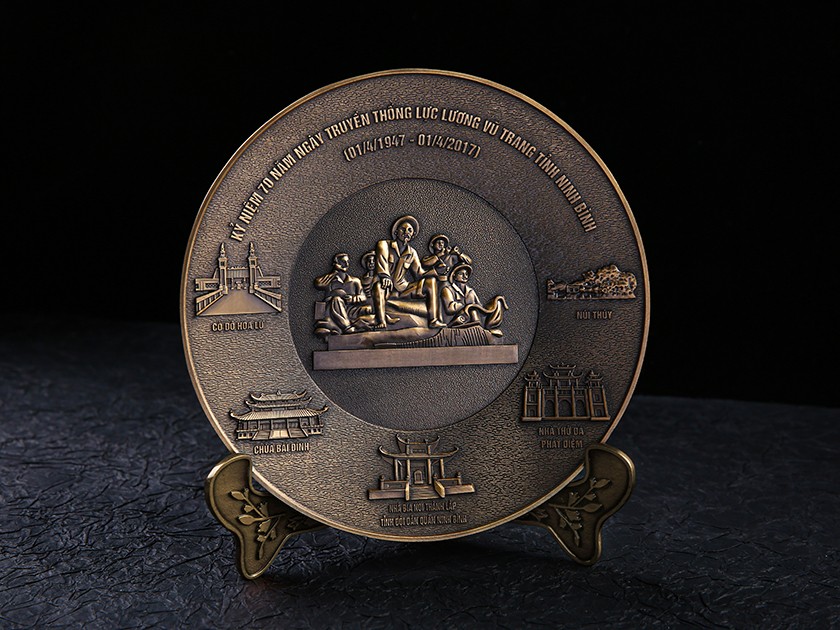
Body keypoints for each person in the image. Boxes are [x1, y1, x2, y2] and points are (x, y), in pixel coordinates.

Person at [371, 215, 444, 330]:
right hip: (386, 288)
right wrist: (385, 276)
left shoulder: (412, 252)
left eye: (410, 230)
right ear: (396, 232)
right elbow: (382, 261)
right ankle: (381, 321)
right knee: (379, 286)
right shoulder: (384, 244)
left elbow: (419, 274)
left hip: (403, 289)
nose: (406, 232)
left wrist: (435, 271)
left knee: (431, 282)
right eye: (403, 229)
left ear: (413, 235)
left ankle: (433, 320)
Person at [441, 263, 507, 336]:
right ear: (454, 275)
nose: (464, 276)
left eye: (466, 274)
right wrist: (466, 306)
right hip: (459, 319)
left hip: (473, 317)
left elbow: (479, 306)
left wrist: (491, 306)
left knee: (497, 303)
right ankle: (479, 328)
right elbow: (450, 309)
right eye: (461, 274)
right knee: (472, 310)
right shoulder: (447, 290)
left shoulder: (470, 291)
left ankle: (488, 327)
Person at [313, 252, 368, 335]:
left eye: (347, 262)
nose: (346, 264)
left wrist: (352, 299)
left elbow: (363, 297)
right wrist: (332, 274)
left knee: (369, 309)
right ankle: (347, 327)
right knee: (337, 299)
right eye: (343, 262)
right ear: (336, 263)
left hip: (349, 309)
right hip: (332, 309)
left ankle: (337, 328)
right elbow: (318, 283)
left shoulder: (355, 281)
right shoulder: (330, 281)